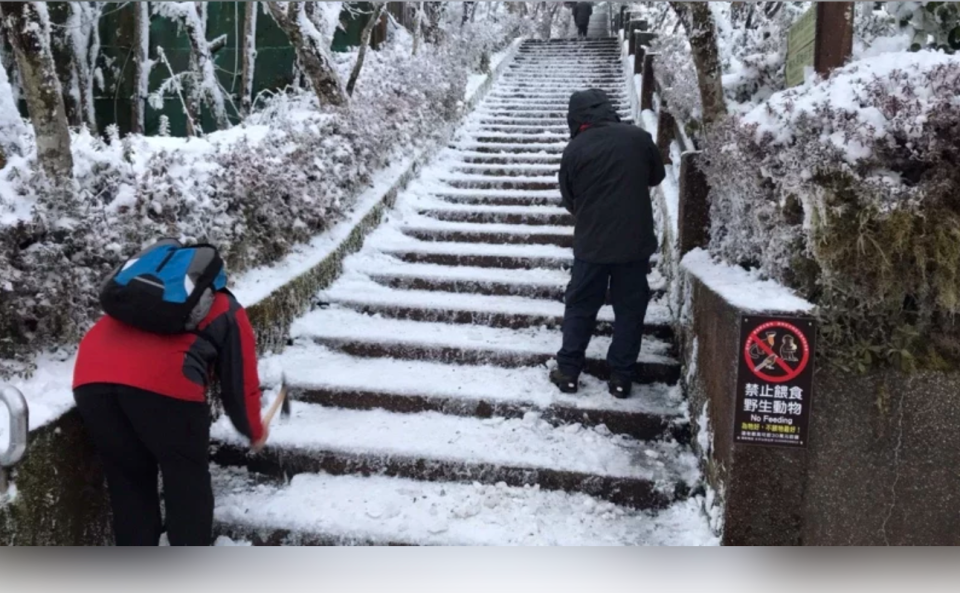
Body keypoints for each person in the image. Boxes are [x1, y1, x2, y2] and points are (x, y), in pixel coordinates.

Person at [73, 244, 267, 546]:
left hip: (91, 380)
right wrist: (253, 429)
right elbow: (239, 383)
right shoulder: (226, 308)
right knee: (186, 480)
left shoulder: (133, 300)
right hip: (166, 387)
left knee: (129, 481)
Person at [551, 89, 665, 399]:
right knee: (629, 309)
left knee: (581, 306)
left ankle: (569, 372)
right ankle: (621, 378)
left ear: (575, 118)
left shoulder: (574, 149)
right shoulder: (638, 137)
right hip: (634, 243)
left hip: (592, 245)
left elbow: (569, 197)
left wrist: (589, 214)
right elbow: (657, 176)